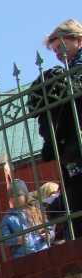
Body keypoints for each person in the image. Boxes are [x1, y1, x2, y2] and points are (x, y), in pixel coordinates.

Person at [38, 20, 82, 240]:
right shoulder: (67, 74)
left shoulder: (76, 72)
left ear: (78, 39)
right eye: (55, 51)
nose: (58, 54)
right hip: (74, 155)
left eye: (61, 48)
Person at [1, 179, 51, 259]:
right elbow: (5, 239)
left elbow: (49, 228)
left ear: (25, 195)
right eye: (11, 197)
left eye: (18, 195)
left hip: (42, 252)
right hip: (22, 257)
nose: (15, 199)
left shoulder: (36, 212)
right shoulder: (8, 219)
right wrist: (17, 240)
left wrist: (48, 235)